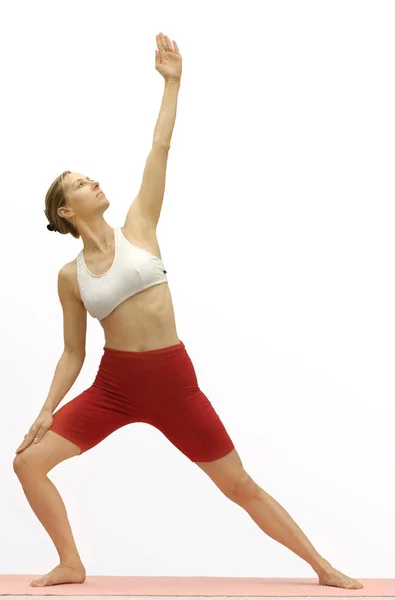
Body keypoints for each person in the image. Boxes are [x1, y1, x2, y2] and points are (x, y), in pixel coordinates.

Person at [12, 33, 363, 591]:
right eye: (81, 183)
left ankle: (324, 569)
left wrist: (173, 82)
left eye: (90, 176)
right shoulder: (70, 276)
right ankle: (70, 563)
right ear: (65, 209)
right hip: (114, 387)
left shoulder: (140, 227)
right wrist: (46, 410)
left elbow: (159, 148)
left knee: (239, 485)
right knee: (27, 463)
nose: (94, 181)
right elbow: (73, 351)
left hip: (174, 382)